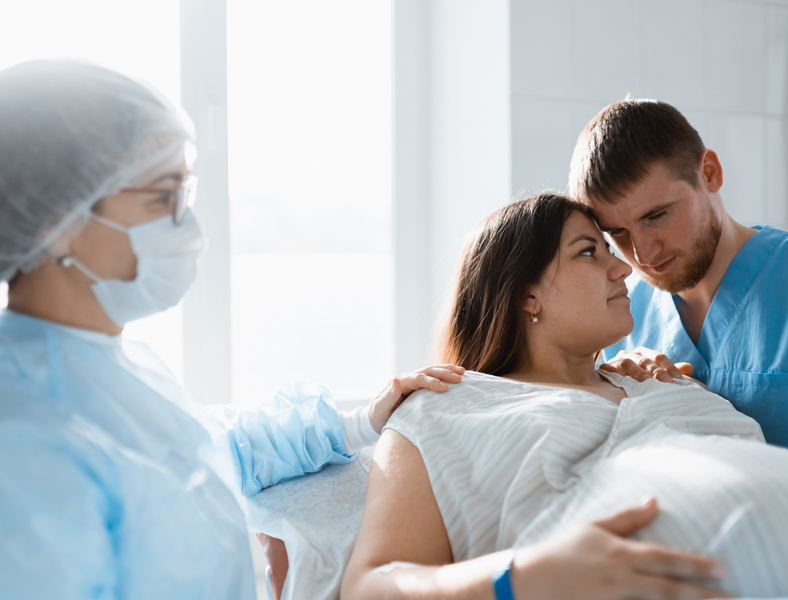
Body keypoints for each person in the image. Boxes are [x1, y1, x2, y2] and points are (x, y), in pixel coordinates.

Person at [0, 59, 462, 598]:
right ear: (54, 221)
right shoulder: (25, 437)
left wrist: (361, 422)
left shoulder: (109, 365)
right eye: (161, 197)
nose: (188, 224)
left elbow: (212, 448)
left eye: (185, 194)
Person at [341, 194, 788, 600]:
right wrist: (522, 576)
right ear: (525, 293)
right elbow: (369, 587)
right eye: (589, 252)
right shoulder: (446, 405)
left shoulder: (662, 379)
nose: (623, 265)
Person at [567, 99, 788, 486]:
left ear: (709, 173)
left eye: (656, 216)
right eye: (617, 234)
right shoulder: (620, 322)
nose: (643, 253)